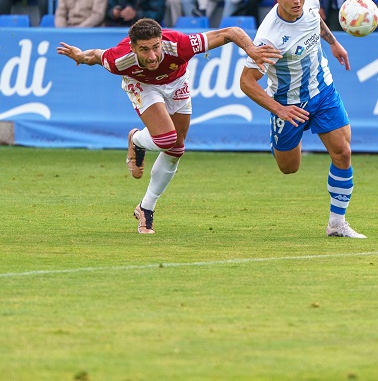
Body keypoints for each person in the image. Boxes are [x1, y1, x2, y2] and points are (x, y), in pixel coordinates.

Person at [56, 19, 280, 234]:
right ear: (133, 48)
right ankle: (136, 140)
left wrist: (251, 49)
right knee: (165, 140)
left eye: (156, 47)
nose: (152, 56)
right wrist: (79, 55)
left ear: (162, 40)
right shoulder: (119, 60)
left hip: (177, 82)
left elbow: (230, 32)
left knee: (176, 149)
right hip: (142, 85)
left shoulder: (179, 44)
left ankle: (146, 208)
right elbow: (96, 55)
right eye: (144, 50)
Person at [239, 0, 366, 239]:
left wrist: (333, 43)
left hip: (323, 91)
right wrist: (279, 110)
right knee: (289, 168)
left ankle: (337, 223)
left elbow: (315, 21)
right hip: (288, 104)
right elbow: (247, 82)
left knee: (343, 153)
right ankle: (280, 139)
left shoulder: (310, 0)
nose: (297, 0)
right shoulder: (269, 37)